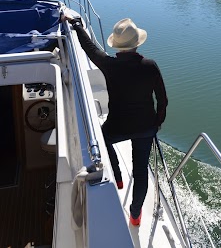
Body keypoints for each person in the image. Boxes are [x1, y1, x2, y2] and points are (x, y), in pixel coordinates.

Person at [63, 16, 168, 226]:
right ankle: (136, 215)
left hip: (117, 127)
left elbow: (90, 48)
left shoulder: (109, 65)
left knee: (101, 137)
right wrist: (156, 123)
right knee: (140, 173)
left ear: (118, 46)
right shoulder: (150, 65)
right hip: (146, 128)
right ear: (137, 43)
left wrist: (76, 25)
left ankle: (117, 176)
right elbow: (163, 100)